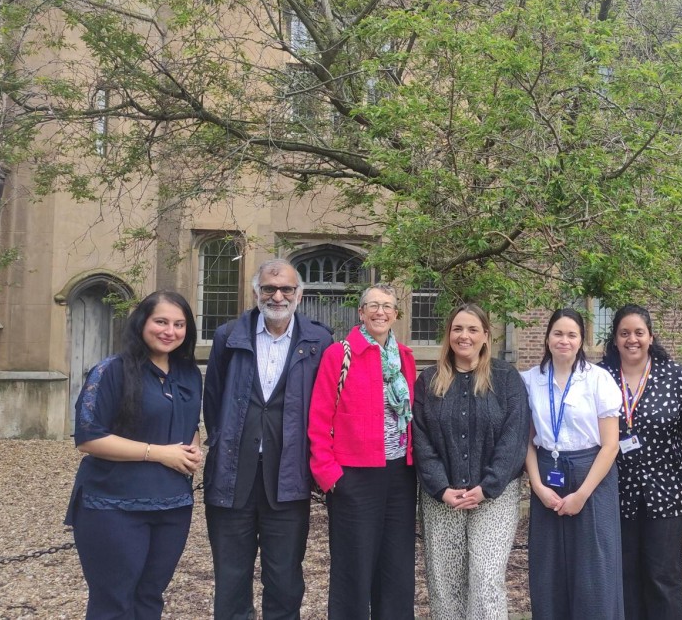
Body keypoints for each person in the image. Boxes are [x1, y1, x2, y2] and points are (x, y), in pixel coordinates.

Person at [203, 259, 333, 620]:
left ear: (299, 294)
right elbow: (213, 402)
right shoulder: (228, 337)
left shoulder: (319, 341)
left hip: (288, 477)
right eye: (269, 288)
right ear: (256, 292)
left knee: (285, 580)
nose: (277, 296)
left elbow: (325, 405)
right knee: (231, 578)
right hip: (232, 477)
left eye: (286, 289)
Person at [66, 291, 202, 619]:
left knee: (150, 598)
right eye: (161, 321)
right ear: (142, 322)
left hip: (173, 506)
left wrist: (194, 448)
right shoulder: (111, 371)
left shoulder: (188, 373)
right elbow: (88, 438)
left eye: (179, 324)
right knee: (114, 603)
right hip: (114, 505)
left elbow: (189, 423)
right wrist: (158, 453)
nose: (170, 331)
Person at [411, 304, 531, 619]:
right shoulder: (429, 380)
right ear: (448, 334)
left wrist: (488, 486)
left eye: (473, 329)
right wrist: (441, 488)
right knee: (445, 585)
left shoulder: (506, 379)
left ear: (486, 336)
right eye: (458, 329)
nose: (464, 336)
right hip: (442, 498)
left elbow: (514, 437)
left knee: (485, 579)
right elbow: (420, 439)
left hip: (494, 496)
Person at [309, 283, 419, 619]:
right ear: (361, 312)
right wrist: (330, 475)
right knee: (353, 569)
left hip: (399, 474)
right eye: (373, 305)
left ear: (396, 314)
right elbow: (319, 417)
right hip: (354, 476)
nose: (380, 312)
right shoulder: (339, 354)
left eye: (387, 306)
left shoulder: (404, 357)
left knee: (397, 568)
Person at [522, 308, 624, 620]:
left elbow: (610, 445)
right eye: (558, 333)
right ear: (547, 338)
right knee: (549, 566)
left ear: (581, 340)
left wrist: (582, 494)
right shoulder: (530, 380)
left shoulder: (598, 379)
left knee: (594, 567)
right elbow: (527, 441)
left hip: (592, 476)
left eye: (571, 335)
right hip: (547, 477)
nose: (564, 340)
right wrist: (537, 486)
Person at [597, 304, 682, 620]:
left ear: (651, 337)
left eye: (639, 332)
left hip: (666, 493)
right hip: (616, 492)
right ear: (615, 339)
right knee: (625, 574)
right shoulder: (599, 376)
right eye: (624, 333)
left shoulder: (675, 375)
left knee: (663, 577)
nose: (632, 339)